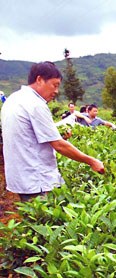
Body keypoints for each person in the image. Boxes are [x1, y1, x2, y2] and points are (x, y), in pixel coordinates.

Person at [1, 61, 105, 202]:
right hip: (36, 180)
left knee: (32, 219)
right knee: (45, 220)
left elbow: (28, 136)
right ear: (39, 80)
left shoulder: (13, 99)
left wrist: (58, 135)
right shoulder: (35, 104)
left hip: (20, 177)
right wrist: (91, 161)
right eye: (54, 85)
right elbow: (59, 145)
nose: (56, 91)